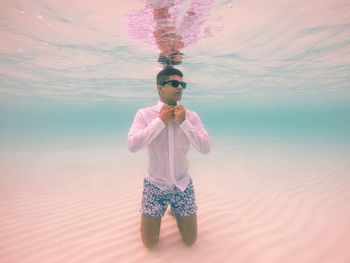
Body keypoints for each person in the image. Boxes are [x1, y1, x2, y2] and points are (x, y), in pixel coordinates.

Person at [127, 67, 211, 248]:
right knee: (149, 244)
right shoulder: (145, 114)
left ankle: (174, 210)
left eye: (182, 84)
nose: (180, 87)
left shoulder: (191, 116)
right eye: (174, 83)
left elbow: (206, 148)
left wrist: (185, 123)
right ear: (159, 88)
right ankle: (157, 212)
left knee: (190, 241)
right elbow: (132, 145)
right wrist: (160, 122)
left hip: (182, 184)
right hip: (155, 185)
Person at [125, 0, 213, 66]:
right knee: (194, 16)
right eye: (180, 53)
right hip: (167, 19)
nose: (176, 48)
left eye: (173, 52)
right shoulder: (180, 44)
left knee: (162, 10)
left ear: (163, 54)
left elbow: (160, 13)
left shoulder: (163, 42)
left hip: (161, 11)